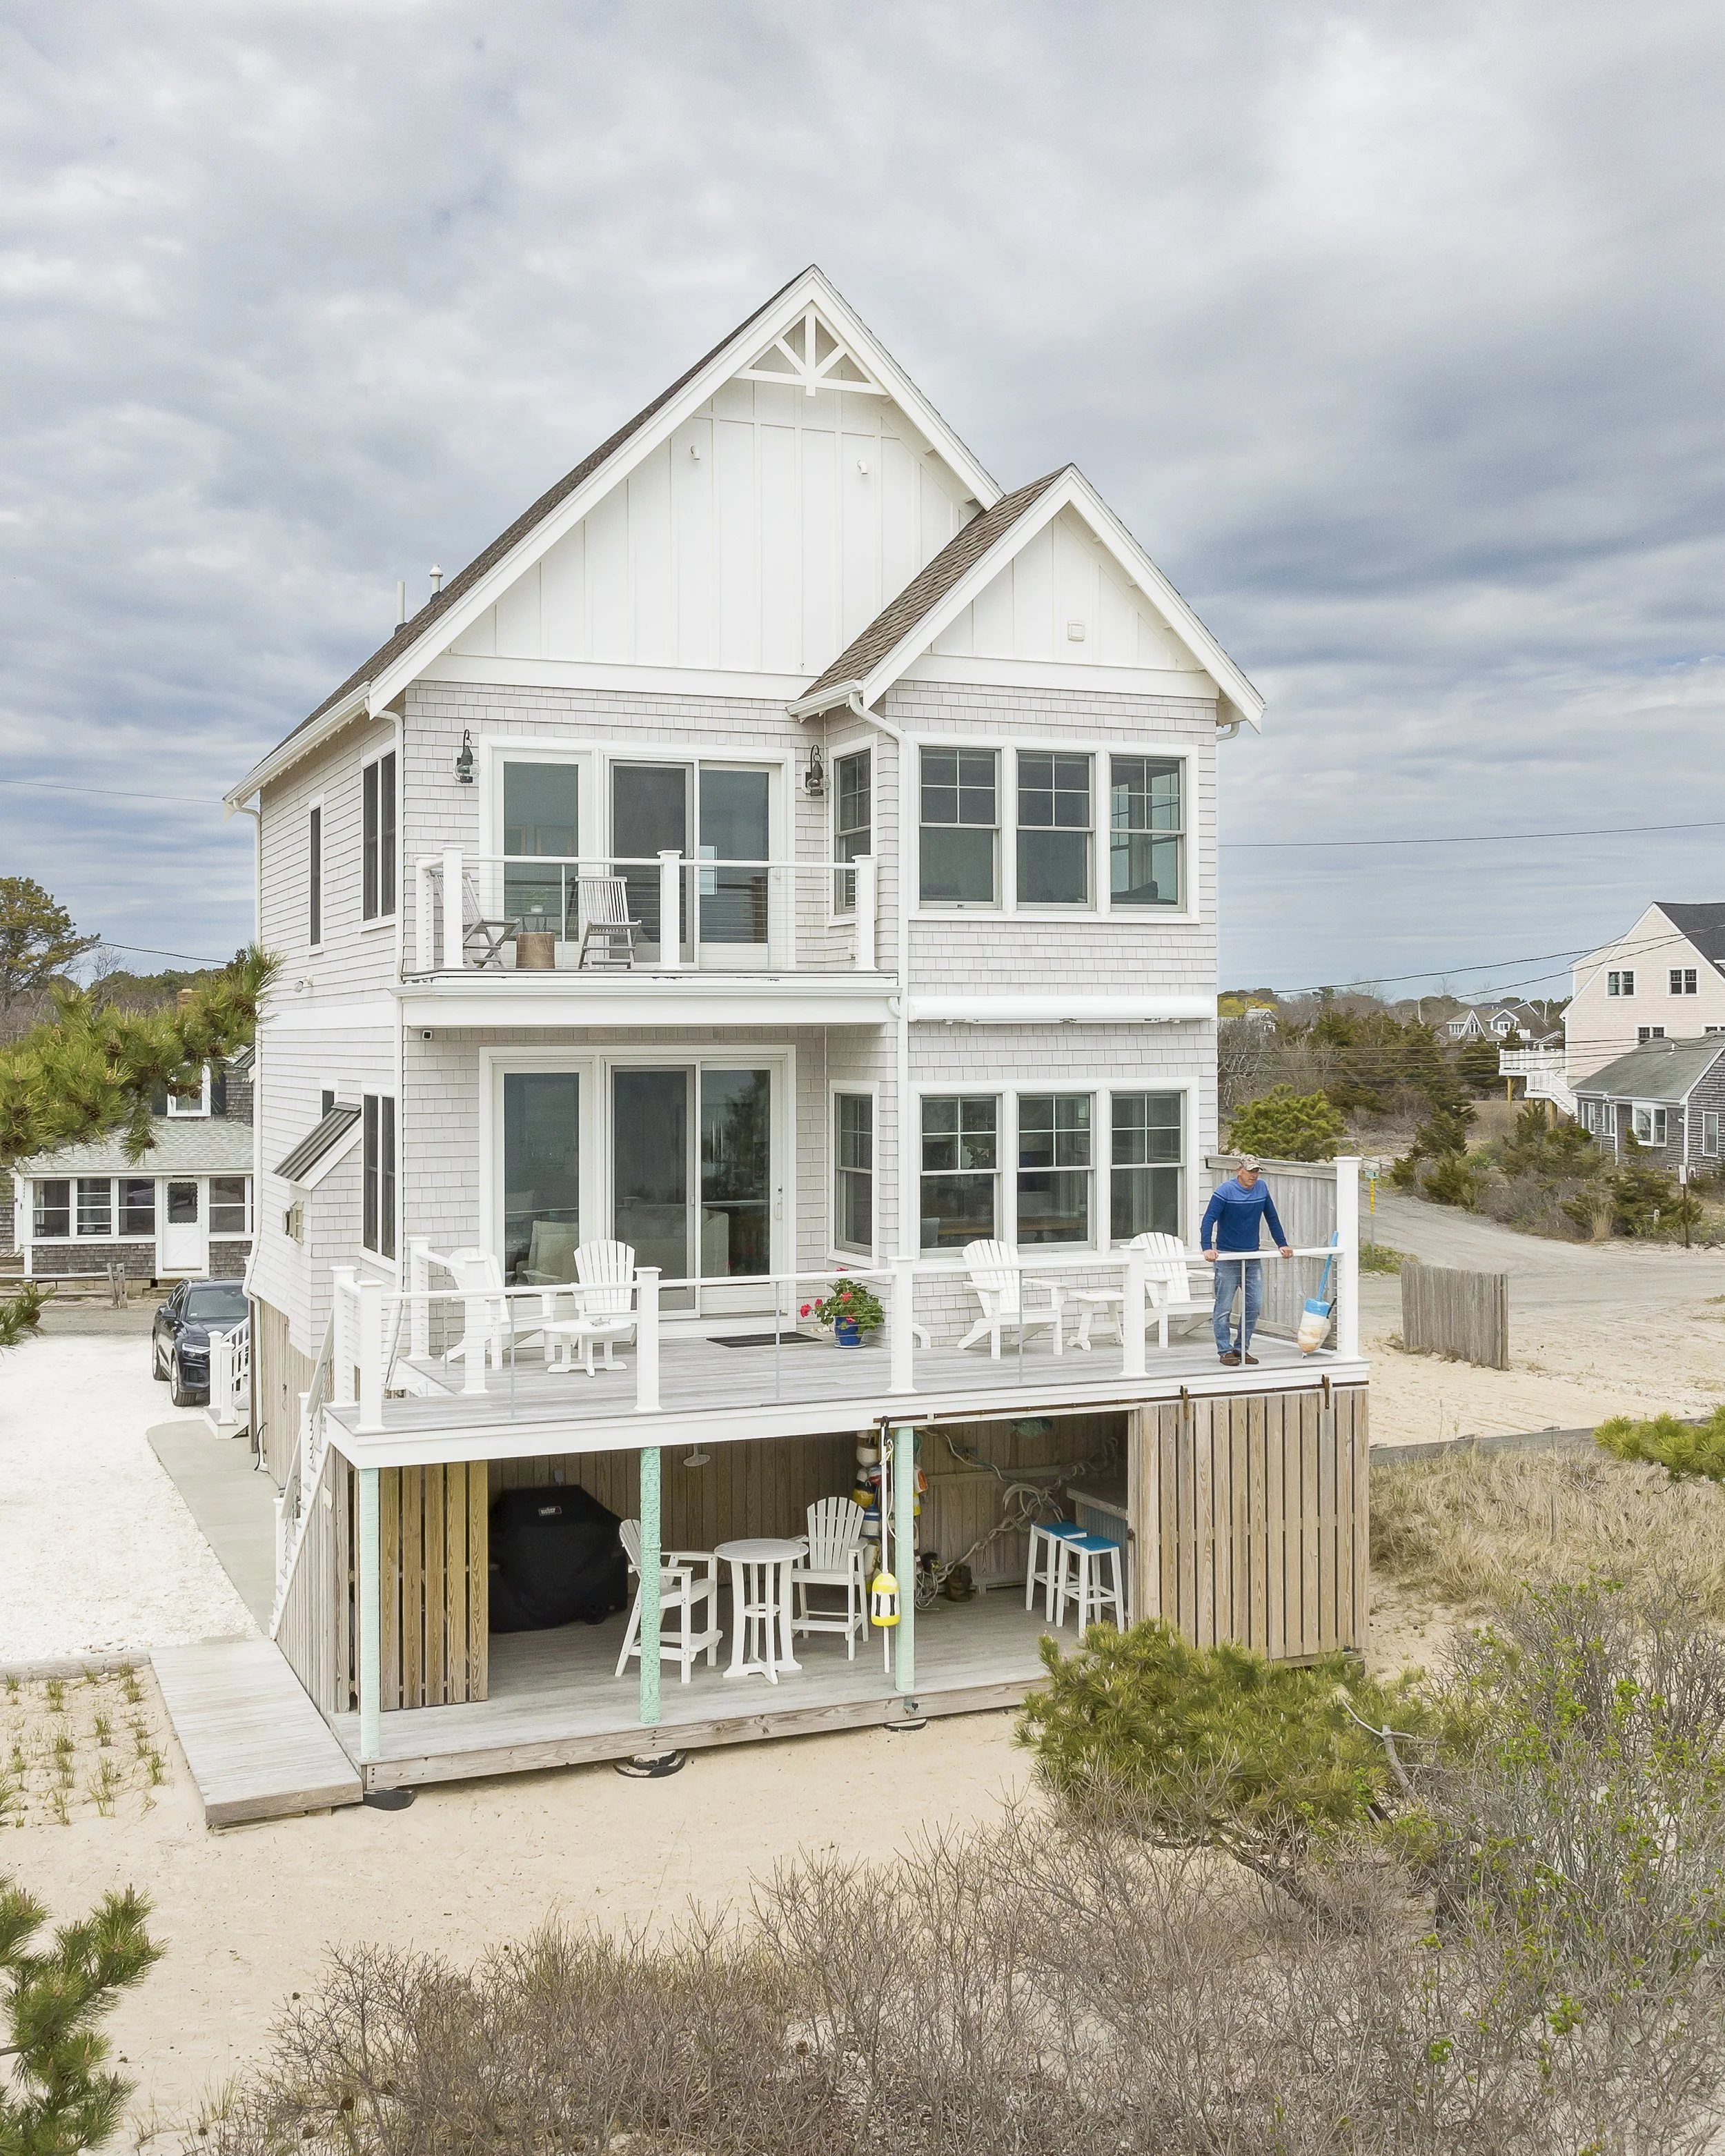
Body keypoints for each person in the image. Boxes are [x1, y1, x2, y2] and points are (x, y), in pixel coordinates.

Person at [1200, 1155, 1292, 1366]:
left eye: (1257, 1171)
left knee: (1254, 1305)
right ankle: (1225, 1350)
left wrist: (1282, 1244)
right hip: (1227, 1257)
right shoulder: (1225, 1191)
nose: (1254, 1175)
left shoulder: (1262, 1189)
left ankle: (1242, 1348)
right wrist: (1207, 1248)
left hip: (1252, 1257)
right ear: (1238, 1170)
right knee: (1223, 1307)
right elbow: (1208, 1219)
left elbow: (1272, 1217)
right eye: (1250, 1171)